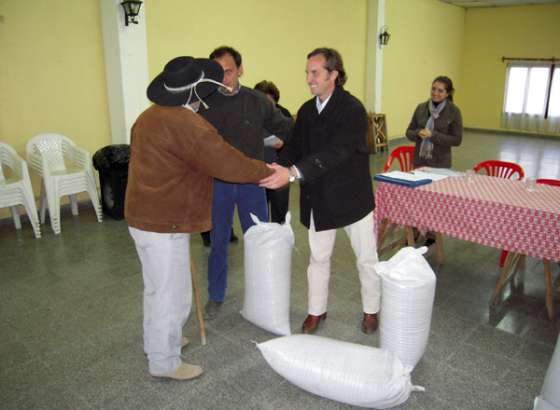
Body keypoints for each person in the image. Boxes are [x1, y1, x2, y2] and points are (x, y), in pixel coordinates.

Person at [125, 56, 272, 381]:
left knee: (155, 288)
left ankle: (160, 341)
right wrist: (267, 172)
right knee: (171, 293)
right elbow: (227, 163)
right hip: (163, 221)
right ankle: (164, 362)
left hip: (142, 215)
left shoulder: (149, 116)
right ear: (197, 92)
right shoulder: (187, 124)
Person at [260, 48, 380, 335]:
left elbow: (337, 151)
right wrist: (276, 160)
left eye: (315, 73)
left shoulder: (352, 109)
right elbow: (295, 148)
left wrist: (292, 173)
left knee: (366, 258)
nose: (309, 79)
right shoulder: (307, 110)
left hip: (352, 198)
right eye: (307, 73)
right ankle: (316, 311)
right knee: (318, 258)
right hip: (319, 197)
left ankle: (371, 310)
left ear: (333, 75)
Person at [199, 46, 293, 320]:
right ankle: (216, 296)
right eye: (218, 74)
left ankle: (263, 295)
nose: (223, 78)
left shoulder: (257, 101)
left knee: (259, 241)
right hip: (220, 183)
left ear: (240, 69)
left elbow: (285, 128)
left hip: (253, 181)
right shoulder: (206, 104)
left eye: (228, 71)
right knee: (218, 242)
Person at [254, 80, 292, 223]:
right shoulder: (250, 114)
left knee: (280, 210)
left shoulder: (284, 114)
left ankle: (280, 238)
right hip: (258, 168)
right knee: (259, 211)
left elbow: (286, 141)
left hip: (280, 167)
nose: (265, 107)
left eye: (269, 103)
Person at [405, 76, 463, 169]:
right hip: (419, 161)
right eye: (433, 89)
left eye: (440, 91)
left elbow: (457, 140)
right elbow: (408, 132)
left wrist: (433, 135)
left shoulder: (454, 111)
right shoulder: (421, 108)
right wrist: (418, 133)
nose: (435, 93)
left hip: (440, 164)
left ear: (447, 93)